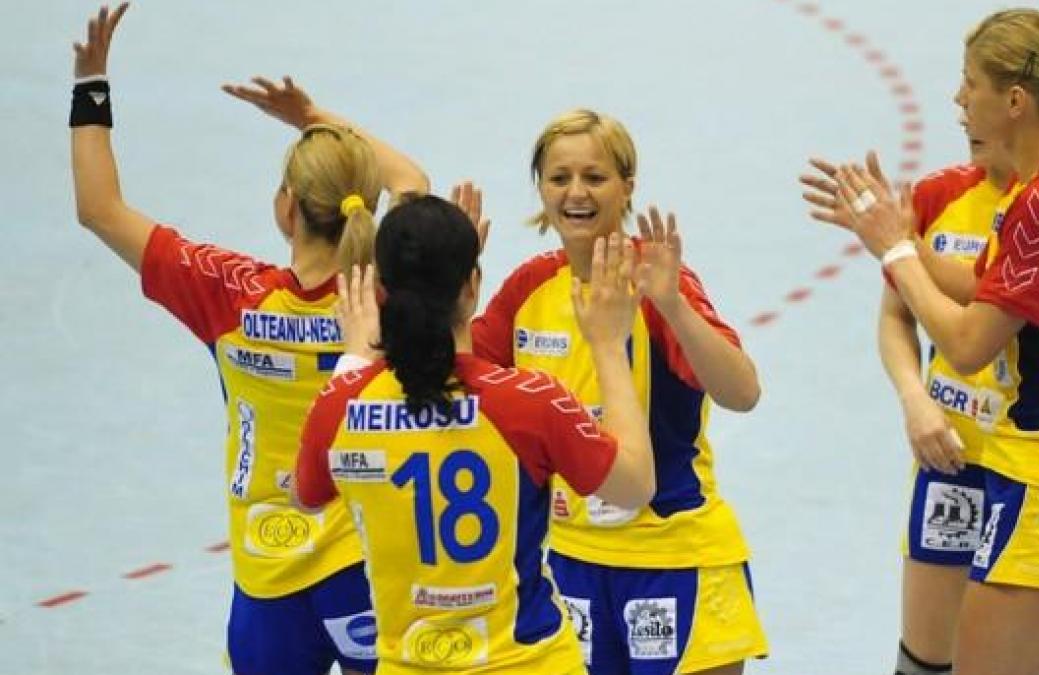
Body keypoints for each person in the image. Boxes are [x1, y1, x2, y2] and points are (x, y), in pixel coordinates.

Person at [70, 5, 428, 673]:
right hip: (370, 563)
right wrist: (313, 117)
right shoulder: (389, 284)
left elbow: (99, 209)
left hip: (270, 571)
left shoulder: (229, 292)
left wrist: (90, 84)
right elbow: (410, 180)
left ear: (286, 207)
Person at [829, 8, 1039, 675]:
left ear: (1013, 101)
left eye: (970, 83)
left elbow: (967, 343)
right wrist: (903, 240)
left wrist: (895, 252)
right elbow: (985, 286)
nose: (958, 98)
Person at [293, 195, 656, 674]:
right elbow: (635, 485)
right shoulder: (527, 402)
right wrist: (607, 345)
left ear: (380, 290)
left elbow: (306, 498)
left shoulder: (341, 407)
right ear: (471, 287)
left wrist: (356, 361)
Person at [471, 109, 769, 674]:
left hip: (675, 557)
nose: (576, 193)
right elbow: (455, 373)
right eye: (559, 178)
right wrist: (447, 278)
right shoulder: (530, 288)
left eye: (595, 177)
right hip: (572, 565)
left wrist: (673, 306)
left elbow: (742, 392)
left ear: (627, 187)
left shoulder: (657, 281)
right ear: (541, 188)